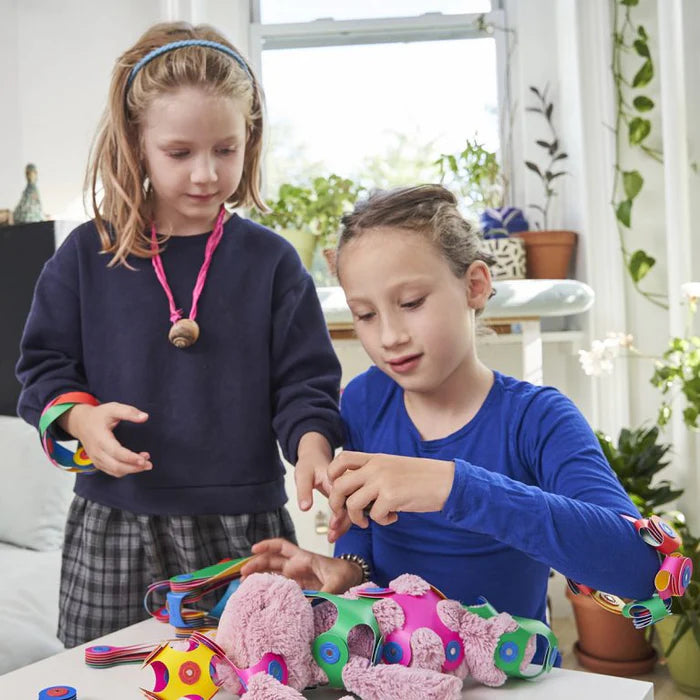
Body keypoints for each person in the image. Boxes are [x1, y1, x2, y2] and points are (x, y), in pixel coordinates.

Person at [15, 22, 343, 648]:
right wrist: (80, 421)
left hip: (246, 529)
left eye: (225, 149)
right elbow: (44, 369)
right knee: (106, 679)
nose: (205, 173)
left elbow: (306, 383)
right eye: (179, 152)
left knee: (252, 674)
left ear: (250, 138)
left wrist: (312, 445)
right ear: (137, 145)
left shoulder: (273, 263)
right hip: (114, 521)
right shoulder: (87, 255)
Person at [241, 184, 661, 665]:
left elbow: (641, 568)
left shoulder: (540, 419)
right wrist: (347, 569)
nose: (389, 337)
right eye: (365, 315)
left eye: (412, 302)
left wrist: (454, 487)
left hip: (509, 678)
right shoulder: (364, 400)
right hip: (393, 677)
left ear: (475, 285)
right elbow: (362, 528)